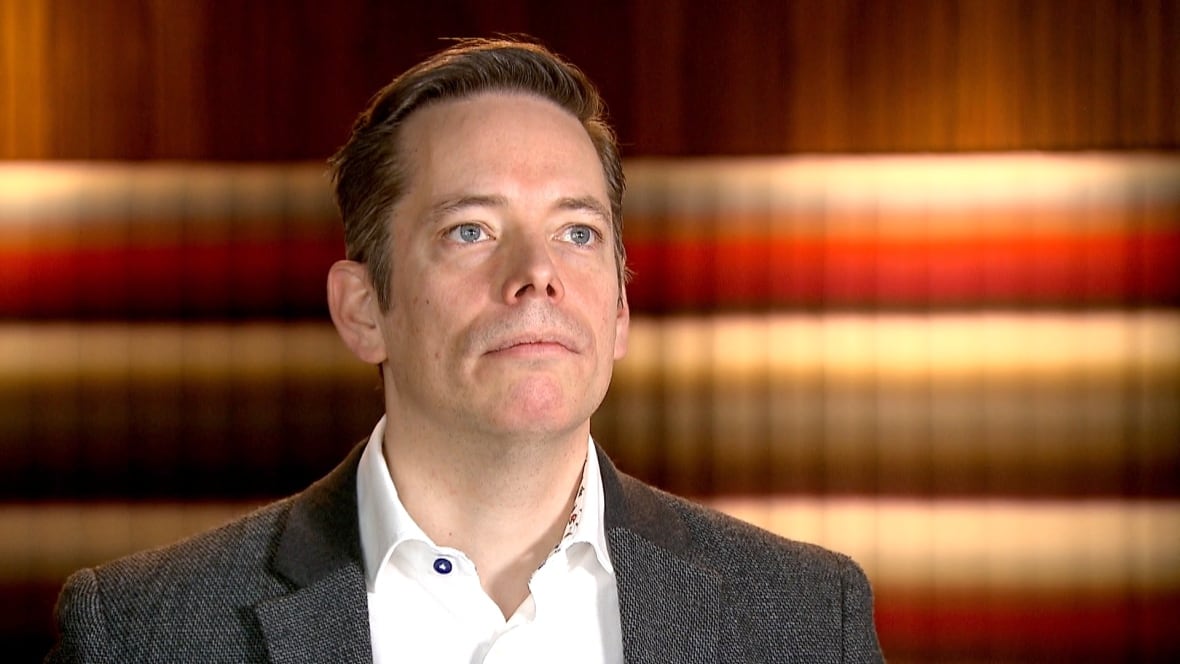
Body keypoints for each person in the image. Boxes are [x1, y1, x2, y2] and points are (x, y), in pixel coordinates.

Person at [46, 37, 884, 663]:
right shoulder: (143, 633)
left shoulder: (808, 620)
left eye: (578, 232)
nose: (537, 276)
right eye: (470, 230)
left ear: (622, 309)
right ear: (362, 307)